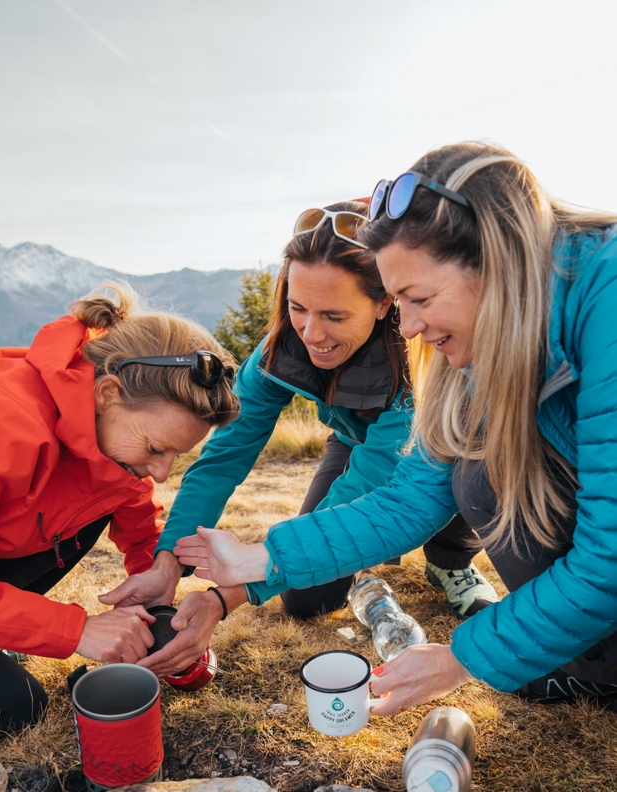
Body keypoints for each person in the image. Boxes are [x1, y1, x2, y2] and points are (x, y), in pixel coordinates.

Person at [173, 143, 617, 716]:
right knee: (475, 477)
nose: (407, 327)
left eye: (419, 299)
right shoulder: (487, 336)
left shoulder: (605, 302)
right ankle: (589, 662)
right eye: (398, 300)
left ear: (497, 262)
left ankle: (590, 659)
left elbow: (608, 557)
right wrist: (257, 561)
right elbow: (413, 497)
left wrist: (463, 659)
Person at [104, 202, 496, 672]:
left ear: (384, 301)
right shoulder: (278, 352)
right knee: (305, 598)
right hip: (350, 441)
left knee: (449, 474)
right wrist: (168, 563)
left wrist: (223, 599)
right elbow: (225, 454)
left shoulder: (417, 367)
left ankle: (451, 560)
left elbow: (378, 489)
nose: (311, 333)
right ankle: (366, 559)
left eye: (333, 315)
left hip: (418, 452)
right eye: (297, 307)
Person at [0, 283, 239, 735]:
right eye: (156, 448)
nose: (161, 473)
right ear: (109, 393)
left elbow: (136, 516)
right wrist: (76, 631)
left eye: (175, 455)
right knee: (11, 708)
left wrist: (161, 575)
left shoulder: (96, 427)